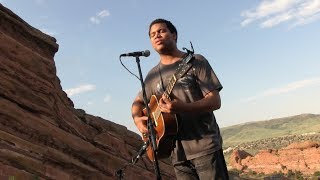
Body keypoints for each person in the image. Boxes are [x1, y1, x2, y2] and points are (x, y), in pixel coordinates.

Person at [131, 18, 229, 180]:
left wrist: (182, 108)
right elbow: (138, 102)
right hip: (175, 153)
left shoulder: (195, 61)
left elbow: (215, 101)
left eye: (162, 31)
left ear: (174, 35)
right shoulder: (152, 76)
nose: (157, 36)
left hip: (205, 148)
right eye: (152, 34)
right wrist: (137, 119)